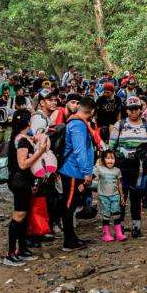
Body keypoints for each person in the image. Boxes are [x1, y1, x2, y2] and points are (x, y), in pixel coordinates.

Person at [106, 95, 147, 237]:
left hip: (140, 168)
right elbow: (111, 148)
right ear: (126, 110)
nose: (133, 112)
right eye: (130, 109)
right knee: (121, 198)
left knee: (136, 198)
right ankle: (119, 227)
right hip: (122, 168)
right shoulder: (119, 125)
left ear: (141, 109)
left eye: (136, 109)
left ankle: (136, 227)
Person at [2, 108, 47, 267]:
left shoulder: (21, 137)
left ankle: (22, 250)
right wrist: (39, 152)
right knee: (19, 216)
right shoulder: (21, 140)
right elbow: (23, 164)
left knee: (24, 216)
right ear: (28, 123)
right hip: (20, 181)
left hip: (22, 181)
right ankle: (10, 253)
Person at [57, 97, 97, 251]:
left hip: (75, 170)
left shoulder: (76, 122)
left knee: (72, 203)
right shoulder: (78, 125)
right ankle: (68, 240)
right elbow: (80, 150)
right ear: (92, 111)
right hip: (73, 171)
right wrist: (87, 172)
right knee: (69, 204)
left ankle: (71, 236)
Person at [94, 149, 127, 243]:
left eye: (112, 158)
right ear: (103, 159)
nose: (110, 160)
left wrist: (122, 196)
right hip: (103, 196)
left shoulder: (117, 170)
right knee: (106, 215)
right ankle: (107, 234)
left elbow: (119, 183)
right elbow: (93, 174)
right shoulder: (99, 169)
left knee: (117, 214)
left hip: (115, 195)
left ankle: (119, 233)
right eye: (107, 158)